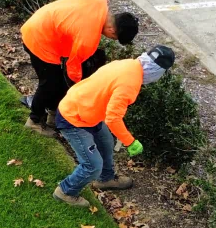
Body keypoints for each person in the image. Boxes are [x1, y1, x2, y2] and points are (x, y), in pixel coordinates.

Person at [52, 45, 175, 207]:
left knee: (106, 143)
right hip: (73, 118)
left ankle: (106, 179)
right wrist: (130, 141)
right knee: (92, 165)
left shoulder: (128, 64)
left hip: (87, 110)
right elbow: (113, 118)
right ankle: (65, 191)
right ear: (157, 71)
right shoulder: (130, 83)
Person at [20, 0, 139, 137]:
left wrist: (66, 21)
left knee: (56, 80)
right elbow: (72, 69)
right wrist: (79, 89)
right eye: (113, 38)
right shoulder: (89, 39)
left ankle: (53, 115)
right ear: (112, 30)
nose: (108, 39)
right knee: (49, 83)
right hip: (40, 39)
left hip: (39, 20)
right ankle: (34, 121)